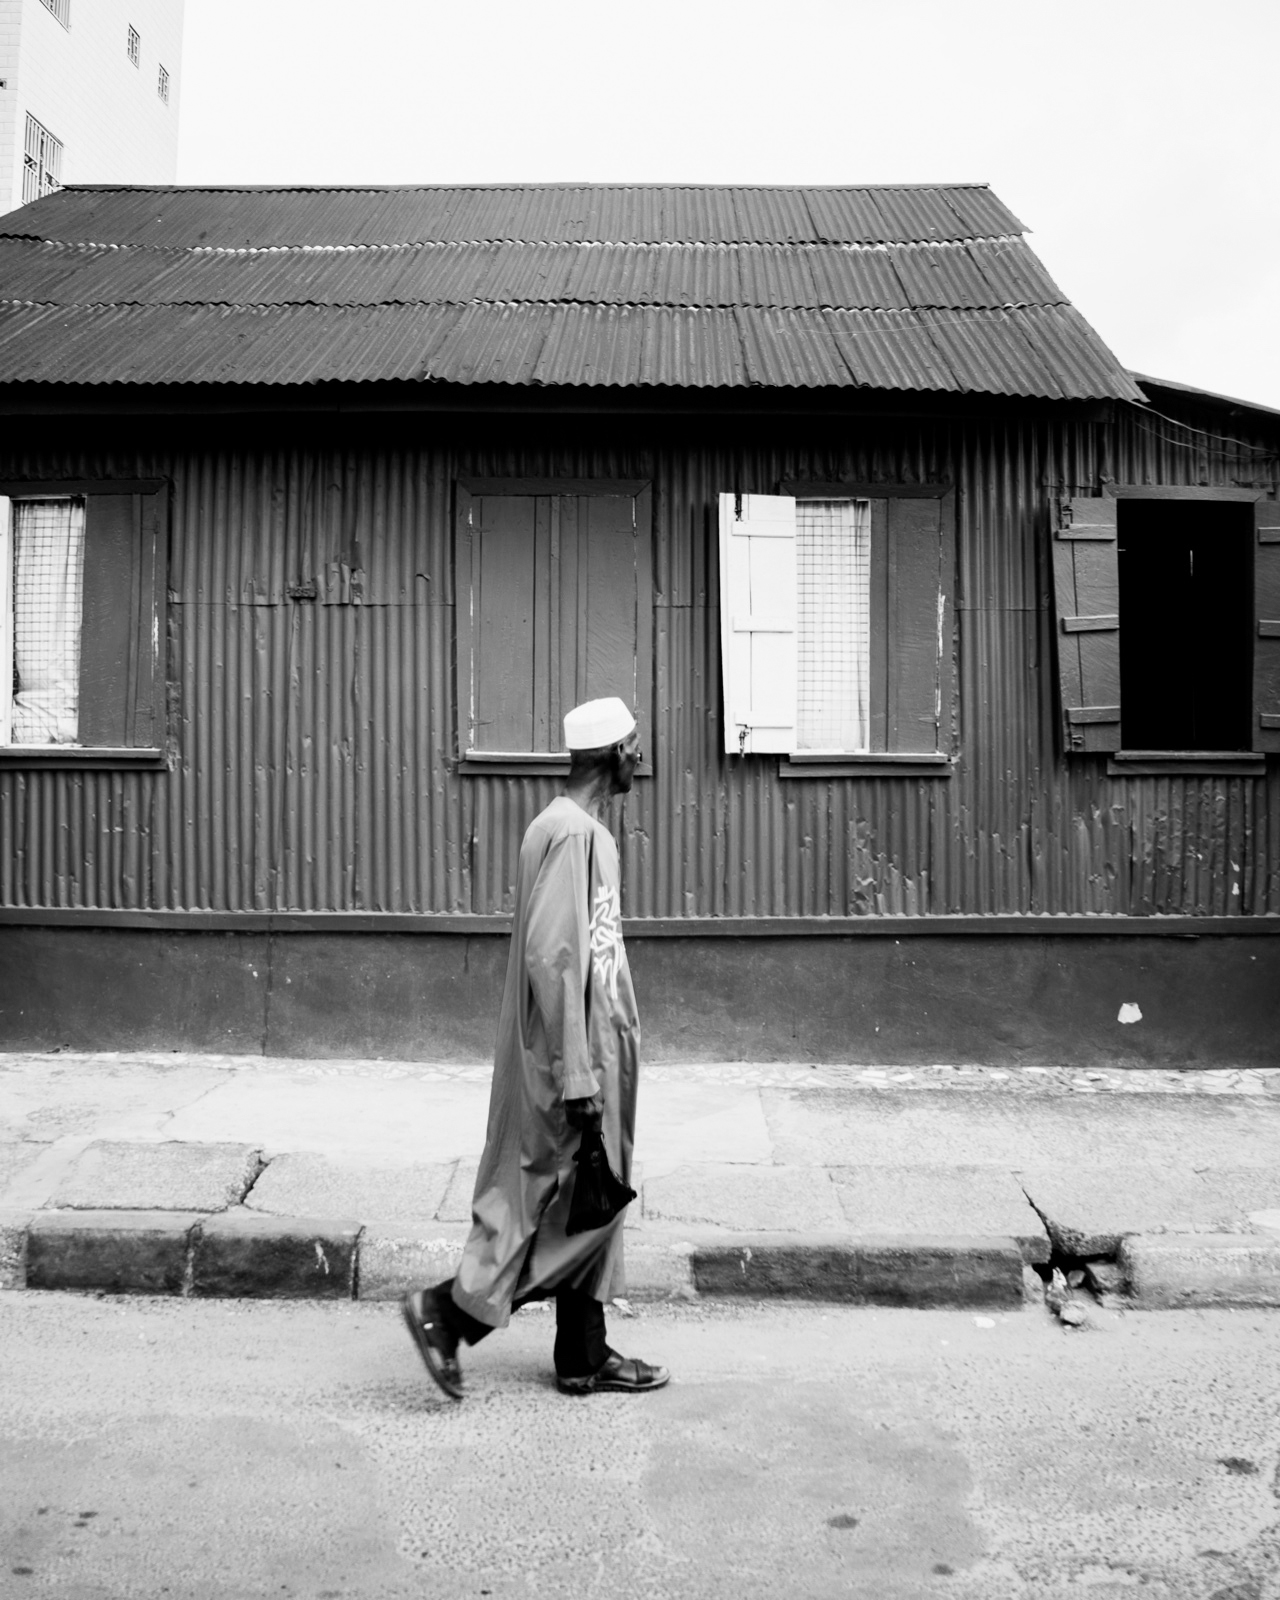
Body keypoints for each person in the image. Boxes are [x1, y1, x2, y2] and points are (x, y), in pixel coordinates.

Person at [402, 696, 669, 1400]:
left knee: (589, 1198)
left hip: (591, 1052)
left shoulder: (568, 829)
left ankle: (583, 1353)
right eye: (635, 746)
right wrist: (580, 1069)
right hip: (574, 1060)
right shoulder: (572, 834)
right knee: (569, 1205)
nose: (641, 758)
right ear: (614, 755)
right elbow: (555, 959)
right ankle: (449, 1313)